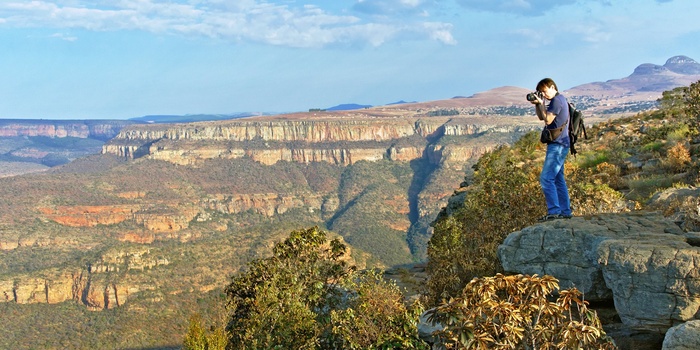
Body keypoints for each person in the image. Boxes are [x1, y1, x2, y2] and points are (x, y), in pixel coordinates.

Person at [530, 78, 572, 221]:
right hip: (561, 144)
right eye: (541, 92)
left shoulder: (557, 101)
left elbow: (548, 120)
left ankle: (554, 211)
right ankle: (565, 211)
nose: (544, 94)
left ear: (552, 87)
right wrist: (538, 105)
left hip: (558, 145)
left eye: (545, 90)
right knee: (558, 179)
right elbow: (542, 117)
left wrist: (542, 103)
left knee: (546, 178)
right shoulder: (560, 100)